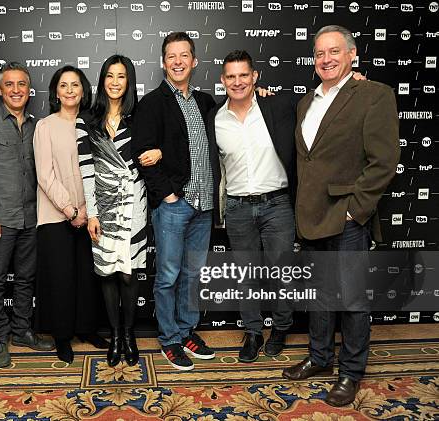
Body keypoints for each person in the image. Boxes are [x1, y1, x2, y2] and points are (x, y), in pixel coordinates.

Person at [282, 25, 400, 407]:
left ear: (352, 55)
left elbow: (384, 162)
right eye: (319, 54)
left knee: (351, 300)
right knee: (319, 296)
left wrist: (355, 210)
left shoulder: (373, 95)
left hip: (348, 217)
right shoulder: (306, 102)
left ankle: (350, 372)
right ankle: (319, 357)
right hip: (312, 215)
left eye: (334, 52)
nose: (326, 59)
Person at [132, 32, 219, 371]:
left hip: (204, 205)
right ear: (163, 62)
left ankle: (186, 332)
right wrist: (167, 194)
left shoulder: (206, 102)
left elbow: (238, 116)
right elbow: (142, 155)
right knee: (168, 275)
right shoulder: (152, 103)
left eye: (185, 55)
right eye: (172, 56)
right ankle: (169, 338)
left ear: (194, 61)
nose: (179, 61)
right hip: (174, 204)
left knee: (193, 274)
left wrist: (262, 96)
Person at [206, 50, 297, 363]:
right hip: (238, 208)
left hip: (278, 204)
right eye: (230, 76)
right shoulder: (215, 119)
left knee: (283, 272)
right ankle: (254, 332)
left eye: (243, 75)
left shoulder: (276, 105)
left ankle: (282, 328)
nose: (237, 82)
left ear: (255, 76)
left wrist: (354, 79)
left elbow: (321, 104)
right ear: (222, 81)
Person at [76, 55, 161, 367]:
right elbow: (86, 170)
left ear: (129, 81)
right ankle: (115, 336)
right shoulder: (86, 120)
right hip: (104, 206)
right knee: (108, 274)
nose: (114, 82)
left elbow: (160, 143)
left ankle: (129, 334)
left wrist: (161, 150)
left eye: (121, 76)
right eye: (109, 75)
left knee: (128, 273)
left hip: (134, 203)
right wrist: (94, 213)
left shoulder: (139, 117)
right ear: (102, 81)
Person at [0, 62, 55, 368]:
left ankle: (21, 331)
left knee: (25, 280)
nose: (16, 90)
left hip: (31, 218)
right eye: (9, 84)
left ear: (28, 89)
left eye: (21, 84)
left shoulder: (38, 126)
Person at [34, 66, 109, 364]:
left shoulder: (93, 123)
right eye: (63, 85)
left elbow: (102, 170)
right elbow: (44, 174)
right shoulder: (45, 126)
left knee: (88, 277)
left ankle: (86, 329)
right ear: (55, 91)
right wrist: (70, 209)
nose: (69, 90)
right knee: (61, 278)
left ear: (83, 90)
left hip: (91, 214)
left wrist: (88, 211)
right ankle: (63, 337)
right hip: (57, 215)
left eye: (75, 85)